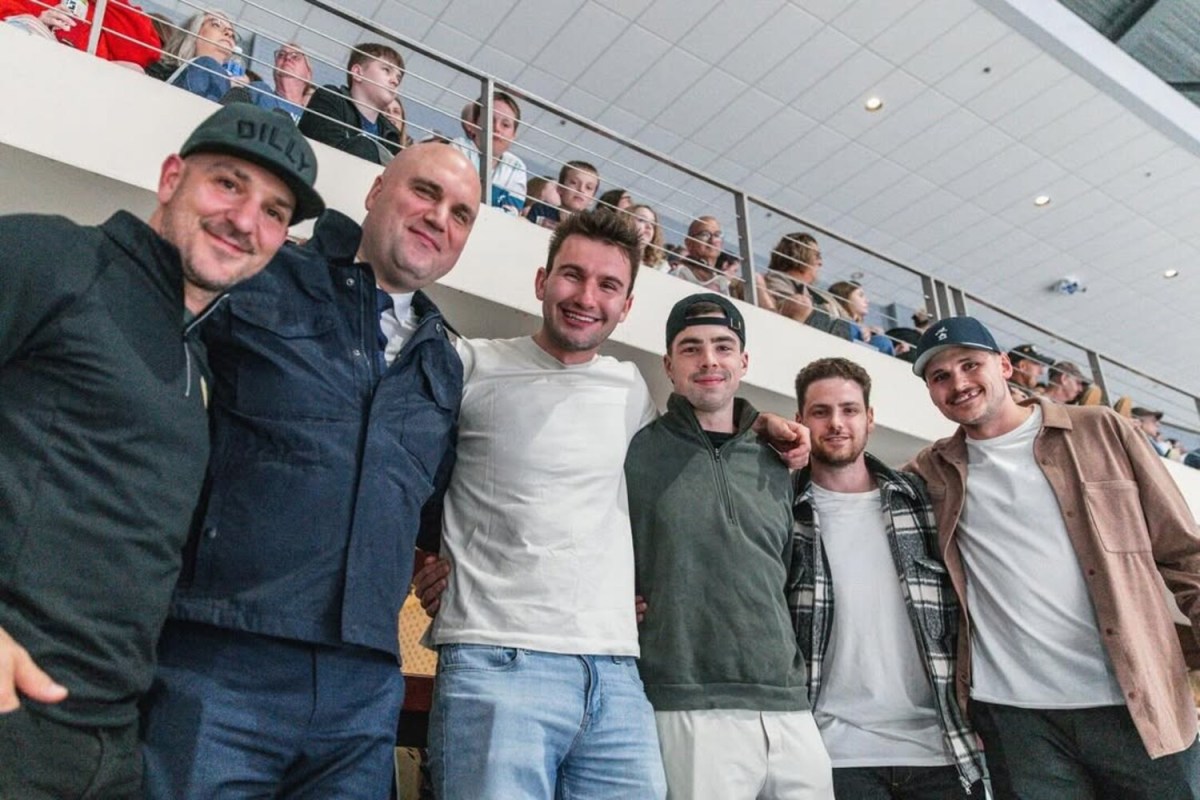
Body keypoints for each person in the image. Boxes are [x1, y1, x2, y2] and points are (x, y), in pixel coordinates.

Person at [413, 209, 810, 799]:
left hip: (619, 674)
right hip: (498, 660)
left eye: (608, 286)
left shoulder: (630, 388)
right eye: (572, 276)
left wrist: (765, 426)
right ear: (542, 281)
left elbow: (698, 450)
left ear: (626, 306)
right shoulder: (473, 364)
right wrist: (421, 558)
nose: (586, 297)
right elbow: (405, 469)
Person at [0, 103, 321, 800]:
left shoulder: (196, 360)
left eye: (274, 211)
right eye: (227, 184)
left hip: (108, 742)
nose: (245, 220)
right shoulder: (54, 257)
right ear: (172, 176)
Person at [139, 142, 479, 800]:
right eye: (425, 193)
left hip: (363, 691)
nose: (440, 218)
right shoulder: (266, 272)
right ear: (377, 191)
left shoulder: (445, 361)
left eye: (461, 214)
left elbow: (431, 510)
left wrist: (439, 566)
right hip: (223, 654)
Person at [907, 316, 1200, 799]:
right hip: (1017, 721)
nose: (957, 382)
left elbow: (1184, 551)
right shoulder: (931, 469)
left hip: (1137, 703)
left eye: (969, 364)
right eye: (939, 377)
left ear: (1004, 365)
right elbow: (848, 471)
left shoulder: (1102, 430)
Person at [627, 294, 834, 800]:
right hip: (688, 701)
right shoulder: (635, 448)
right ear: (669, 365)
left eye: (724, 346)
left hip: (787, 701)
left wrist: (765, 424)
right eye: (691, 348)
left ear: (744, 362)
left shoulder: (778, 458)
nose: (709, 360)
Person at [790, 357, 985, 799]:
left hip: (941, 751)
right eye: (820, 412)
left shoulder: (923, 502)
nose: (836, 423)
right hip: (833, 754)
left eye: (849, 409)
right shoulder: (782, 509)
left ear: (870, 419)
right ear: (800, 420)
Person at [299, 42, 405, 165]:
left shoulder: (391, 134)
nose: (395, 81)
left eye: (399, 77)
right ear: (357, 73)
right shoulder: (330, 98)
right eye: (386, 70)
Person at [0, 0, 160, 69]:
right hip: (28, 61)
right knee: (25, 24)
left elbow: (142, 53)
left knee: (133, 69)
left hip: (84, 83)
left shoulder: (108, 7)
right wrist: (38, 21)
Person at [763, 232, 853, 340]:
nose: (820, 262)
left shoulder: (817, 293)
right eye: (817, 256)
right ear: (798, 254)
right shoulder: (777, 278)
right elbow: (788, 309)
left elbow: (846, 319)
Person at [452, 90, 528, 214]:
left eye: (505, 125)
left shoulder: (517, 167)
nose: (497, 128)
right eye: (489, 120)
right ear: (474, 125)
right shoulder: (459, 147)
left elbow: (511, 214)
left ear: (513, 135)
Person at [161, 10, 247, 102]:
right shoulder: (160, 71)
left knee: (259, 87)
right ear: (194, 32)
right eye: (216, 25)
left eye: (233, 35)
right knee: (207, 63)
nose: (229, 34)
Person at [828, 280, 897, 355]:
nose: (867, 301)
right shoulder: (833, 314)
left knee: (883, 341)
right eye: (860, 295)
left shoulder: (864, 329)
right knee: (849, 325)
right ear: (845, 297)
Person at [525, 160, 599, 228]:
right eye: (574, 183)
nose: (581, 190)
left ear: (592, 199)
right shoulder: (541, 210)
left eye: (589, 187)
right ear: (560, 188)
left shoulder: (592, 226)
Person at [670, 215, 730, 294]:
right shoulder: (679, 270)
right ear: (688, 242)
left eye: (717, 235)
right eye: (705, 234)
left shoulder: (721, 281)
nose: (712, 240)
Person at [629, 203, 665, 270]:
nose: (649, 227)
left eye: (652, 224)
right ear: (627, 222)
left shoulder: (660, 268)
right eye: (642, 220)